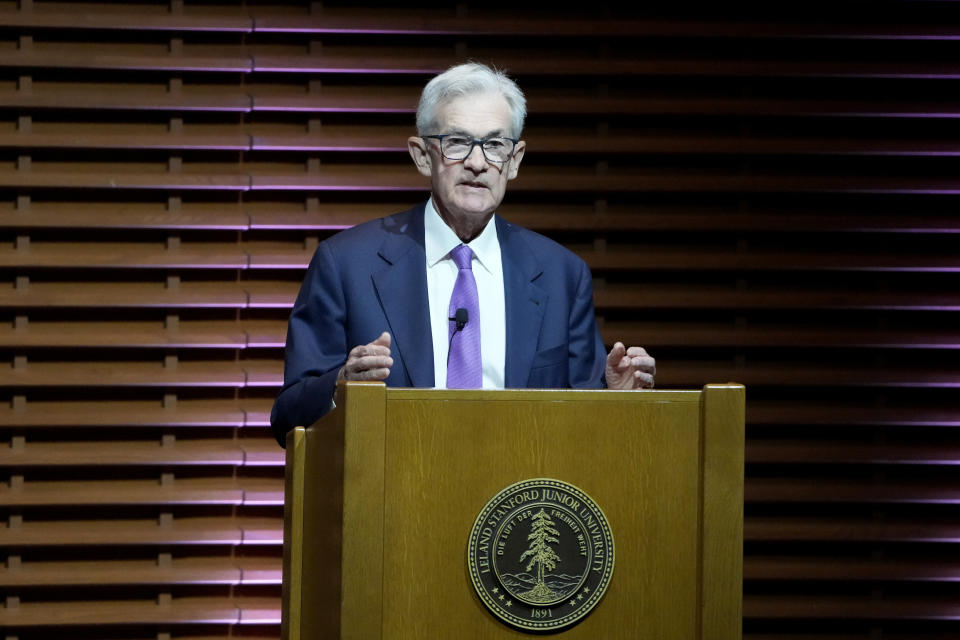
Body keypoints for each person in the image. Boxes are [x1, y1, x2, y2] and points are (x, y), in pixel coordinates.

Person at [270, 62, 655, 446]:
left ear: (515, 160)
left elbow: (583, 425)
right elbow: (288, 417)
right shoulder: (345, 265)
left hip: (515, 500)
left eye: (494, 145)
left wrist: (618, 398)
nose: (477, 161)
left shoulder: (561, 276)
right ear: (422, 155)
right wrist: (341, 388)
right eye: (456, 142)